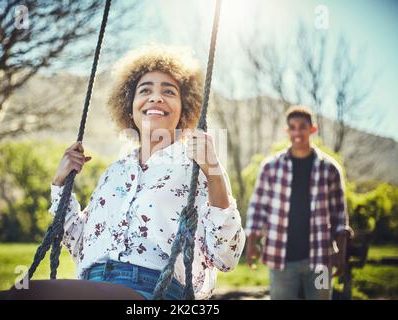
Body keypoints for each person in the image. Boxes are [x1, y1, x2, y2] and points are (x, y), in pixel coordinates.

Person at [47, 45, 245, 300]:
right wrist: (60, 184)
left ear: (184, 109)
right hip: (92, 283)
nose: (155, 97)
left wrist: (214, 172)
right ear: (130, 107)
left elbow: (225, 257)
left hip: (155, 289)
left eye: (168, 91)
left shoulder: (199, 167)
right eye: (145, 90)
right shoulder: (115, 171)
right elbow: (80, 244)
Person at [245, 105, 352, 300]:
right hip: (281, 259)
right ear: (287, 131)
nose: (297, 132)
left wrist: (342, 253)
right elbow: (257, 207)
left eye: (302, 127)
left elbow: (339, 215)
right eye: (292, 127)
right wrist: (251, 242)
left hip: (322, 260)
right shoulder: (270, 167)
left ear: (312, 129)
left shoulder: (330, 169)